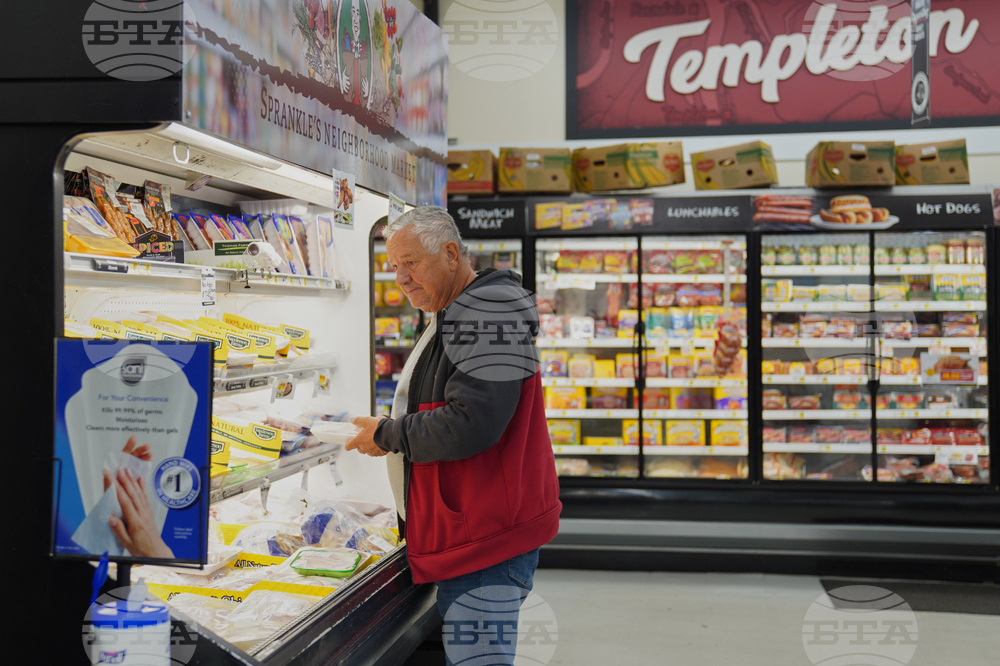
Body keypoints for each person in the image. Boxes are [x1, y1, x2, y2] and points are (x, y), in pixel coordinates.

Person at [347, 206, 561, 664]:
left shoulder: (489, 313)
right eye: (394, 267)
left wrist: (387, 434)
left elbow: (473, 422)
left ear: (449, 253)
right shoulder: (460, 309)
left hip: (487, 542)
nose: (401, 278)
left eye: (411, 262)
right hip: (473, 531)